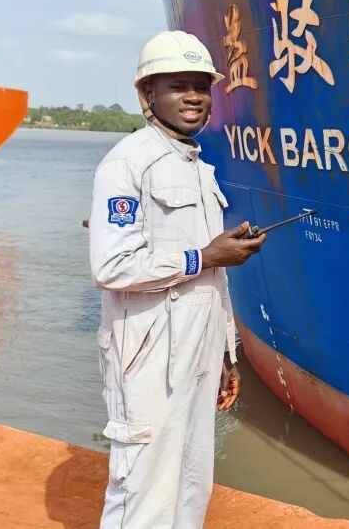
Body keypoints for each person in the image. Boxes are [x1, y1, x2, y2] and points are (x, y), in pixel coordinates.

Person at [88, 30, 266, 527]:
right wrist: (203, 256)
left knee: (191, 482)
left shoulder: (198, 169)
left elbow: (214, 281)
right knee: (143, 489)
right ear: (148, 93)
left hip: (199, 351)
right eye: (177, 86)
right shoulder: (128, 163)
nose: (193, 97)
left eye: (201, 87)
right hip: (147, 357)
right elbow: (111, 265)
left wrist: (226, 354)